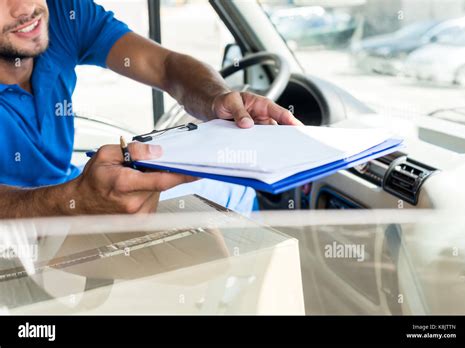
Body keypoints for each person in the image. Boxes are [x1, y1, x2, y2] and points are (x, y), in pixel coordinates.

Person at [0, 0, 301, 219]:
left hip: (69, 184)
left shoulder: (64, 15)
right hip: (16, 225)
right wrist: (70, 201)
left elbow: (165, 66)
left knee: (234, 190)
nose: (24, 8)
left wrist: (216, 97)